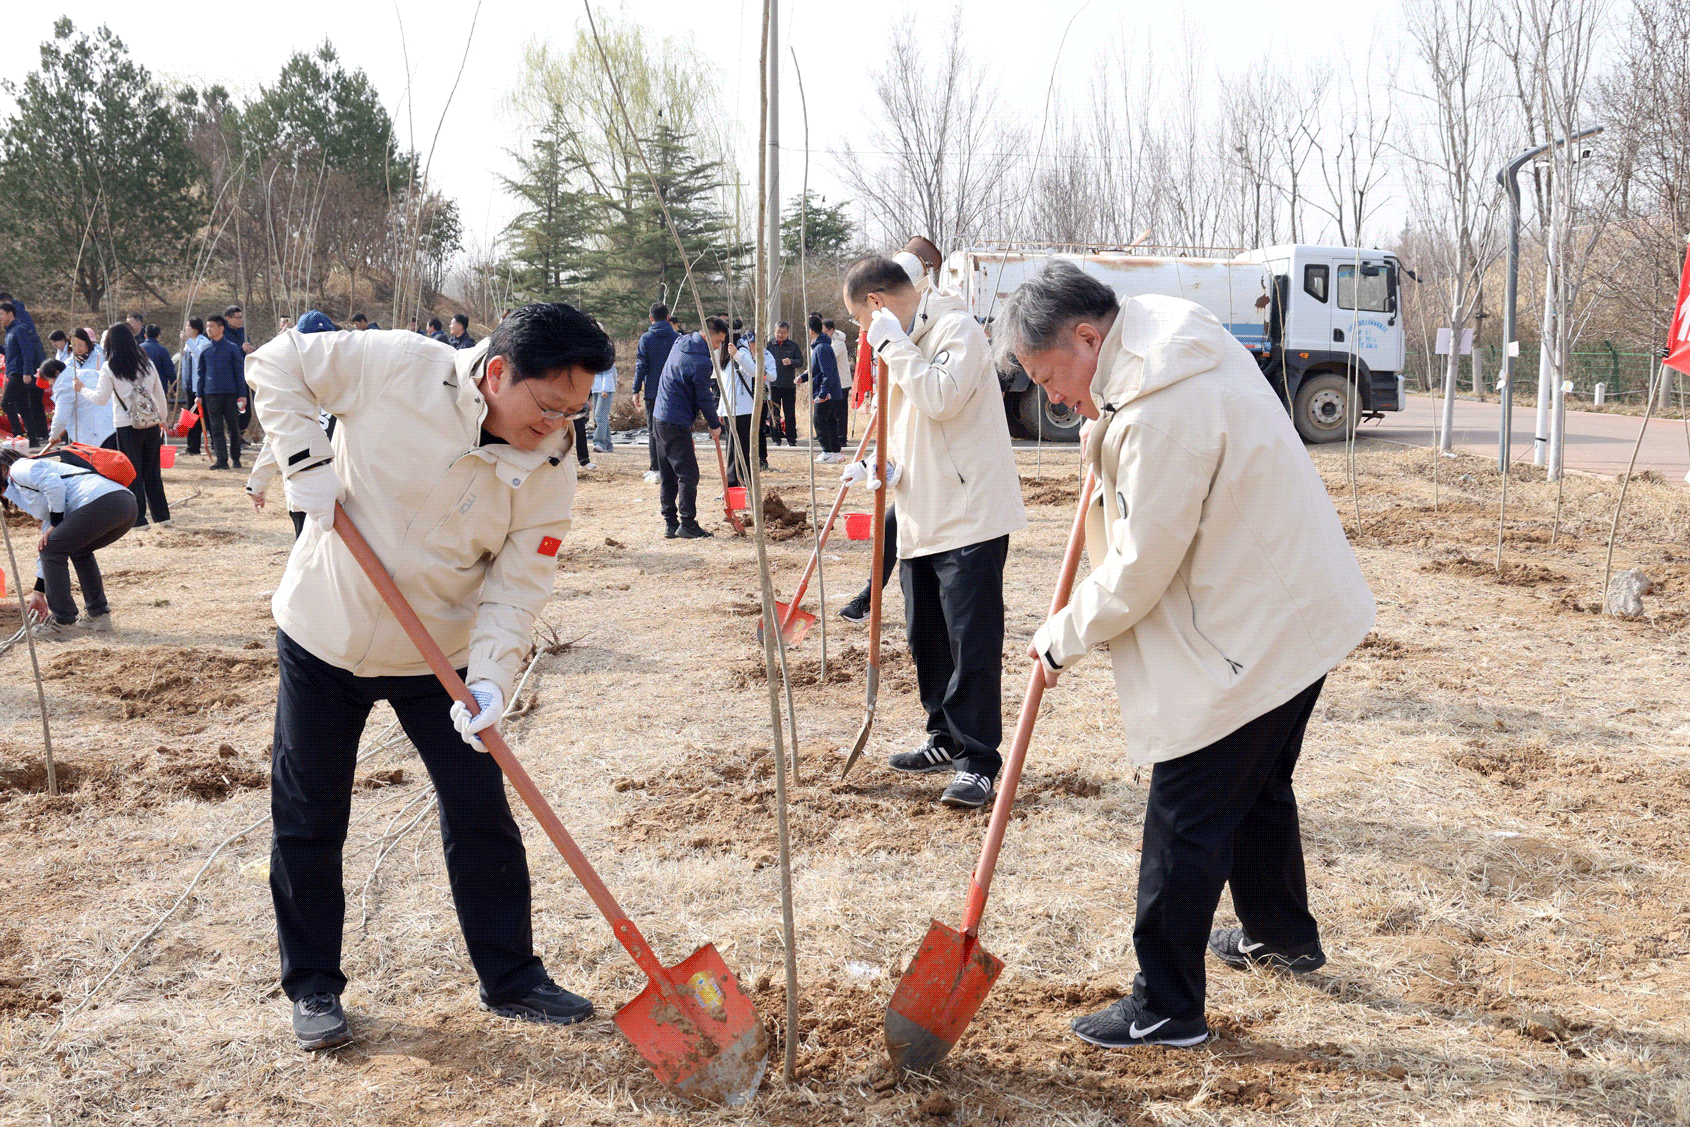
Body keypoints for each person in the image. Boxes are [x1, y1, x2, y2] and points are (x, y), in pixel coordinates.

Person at [997, 261, 1375, 1049]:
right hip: (1300, 603)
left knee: (1188, 809)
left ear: (1089, 336)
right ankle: (1282, 935)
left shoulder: (1160, 410)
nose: (1056, 396)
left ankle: (1165, 1003)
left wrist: (1060, 634)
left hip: (1255, 628)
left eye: (1049, 375)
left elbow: (1140, 567)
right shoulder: (1166, 333)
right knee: (1258, 782)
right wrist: (1101, 436)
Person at [248, 302, 614, 1052]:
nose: (557, 425)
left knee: (480, 808)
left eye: (574, 411)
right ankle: (314, 983)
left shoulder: (551, 460)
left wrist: (489, 682)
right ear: (499, 371)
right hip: (327, 629)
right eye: (548, 406)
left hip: (438, 654)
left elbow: (518, 585)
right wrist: (304, 457)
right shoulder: (395, 366)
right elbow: (277, 362)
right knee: (310, 814)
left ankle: (511, 976)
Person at [840, 255, 1026, 810]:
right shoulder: (900, 340)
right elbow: (912, 430)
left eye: (859, 318)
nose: (860, 331)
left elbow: (941, 398)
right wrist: (884, 470)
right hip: (921, 514)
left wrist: (892, 345)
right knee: (927, 638)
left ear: (877, 304)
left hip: (970, 516)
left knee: (972, 645)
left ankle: (979, 760)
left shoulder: (956, 329)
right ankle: (943, 737)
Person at [0, 446, 138, 638]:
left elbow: (53, 484)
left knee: (53, 549)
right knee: (76, 550)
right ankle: (98, 615)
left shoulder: (19, 468)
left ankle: (63, 623)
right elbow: (47, 536)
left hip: (105, 502)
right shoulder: (21, 489)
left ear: (3, 466)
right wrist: (39, 592)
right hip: (124, 505)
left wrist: (56, 523)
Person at [81, 325, 171, 528]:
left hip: (126, 425)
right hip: (151, 423)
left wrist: (82, 389)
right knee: (153, 472)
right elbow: (159, 394)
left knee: (133, 472)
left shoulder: (110, 366)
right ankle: (163, 517)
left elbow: (100, 398)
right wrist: (162, 418)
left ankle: (139, 520)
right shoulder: (147, 363)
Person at [651, 316, 726, 539]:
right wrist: (715, 425)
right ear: (706, 335)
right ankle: (687, 524)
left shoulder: (681, 342)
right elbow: (704, 398)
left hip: (659, 417)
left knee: (668, 473)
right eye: (717, 341)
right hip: (674, 421)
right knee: (688, 474)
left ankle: (670, 523)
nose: (718, 346)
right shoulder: (701, 362)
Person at [632, 303, 677, 485]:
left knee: (653, 431)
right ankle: (672, 467)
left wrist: (636, 389)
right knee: (673, 429)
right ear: (668, 317)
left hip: (652, 391)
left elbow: (641, 365)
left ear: (651, 318)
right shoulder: (677, 338)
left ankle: (656, 469)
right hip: (674, 391)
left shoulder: (646, 338)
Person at [196, 314, 249, 470]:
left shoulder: (232, 348)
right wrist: (199, 395)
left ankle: (236, 458)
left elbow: (239, 373)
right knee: (216, 428)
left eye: (212, 326)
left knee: (233, 427)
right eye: (207, 326)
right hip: (211, 393)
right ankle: (221, 460)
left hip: (230, 393)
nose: (208, 329)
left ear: (221, 328)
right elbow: (201, 374)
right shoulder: (206, 350)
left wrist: (242, 394)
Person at [49, 330, 117, 451]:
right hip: (79, 413)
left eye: (80, 344)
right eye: (74, 345)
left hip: (99, 405)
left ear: (87, 343)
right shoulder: (68, 363)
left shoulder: (99, 358)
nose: (78, 348)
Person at [723, 326, 772, 488]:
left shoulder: (742, 353)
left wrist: (737, 355)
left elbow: (754, 371)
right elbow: (724, 384)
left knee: (743, 450)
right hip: (729, 409)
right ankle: (733, 486)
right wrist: (720, 409)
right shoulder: (723, 356)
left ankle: (746, 484)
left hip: (743, 410)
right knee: (731, 450)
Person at [2, 301, 48, 447]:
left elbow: (27, 352)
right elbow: (11, 353)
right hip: (14, 372)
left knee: (6, 402)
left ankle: (18, 435)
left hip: (19, 374)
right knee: (22, 406)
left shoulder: (19, 329)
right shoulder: (10, 331)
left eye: (1, 314)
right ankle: (32, 440)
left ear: (10, 314)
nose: (0, 317)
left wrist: (27, 372)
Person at [808, 314, 845, 461]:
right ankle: (836, 453)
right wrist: (803, 378)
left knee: (819, 420)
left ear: (811, 331)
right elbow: (817, 370)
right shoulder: (822, 346)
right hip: (830, 391)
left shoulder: (821, 348)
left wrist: (823, 394)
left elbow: (827, 372)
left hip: (826, 393)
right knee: (829, 421)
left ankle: (827, 452)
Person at [766, 321, 805, 446]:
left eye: (783, 333)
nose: (780, 335)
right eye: (778, 332)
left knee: (789, 413)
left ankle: (791, 439)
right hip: (773, 385)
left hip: (788, 385)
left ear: (788, 333)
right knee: (774, 413)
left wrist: (791, 361)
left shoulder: (793, 346)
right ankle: (776, 438)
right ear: (774, 331)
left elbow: (800, 361)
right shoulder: (770, 345)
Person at [179, 318, 211, 453]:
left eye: (188, 326)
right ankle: (192, 447)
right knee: (191, 418)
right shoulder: (189, 343)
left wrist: (187, 341)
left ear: (196, 329)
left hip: (200, 387)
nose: (186, 328)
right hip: (190, 386)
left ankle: (200, 446)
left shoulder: (203, 342)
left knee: (203, 417)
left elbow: (200, 356)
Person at [140, 324, 177, 399]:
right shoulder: (162, 350)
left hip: (141, 388)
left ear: (145, 336)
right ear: (159, 336)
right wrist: (174, 388)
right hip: (159, 388)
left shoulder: (138, 349)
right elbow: (170, 371)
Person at [590, 358, 617, 454]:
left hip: (605, 390)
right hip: (596, 389)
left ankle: (600, 444)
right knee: (599, 418)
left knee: (600, 416)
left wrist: (605, 389)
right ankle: (608, 445)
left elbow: (609, 372)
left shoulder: (606, 353)